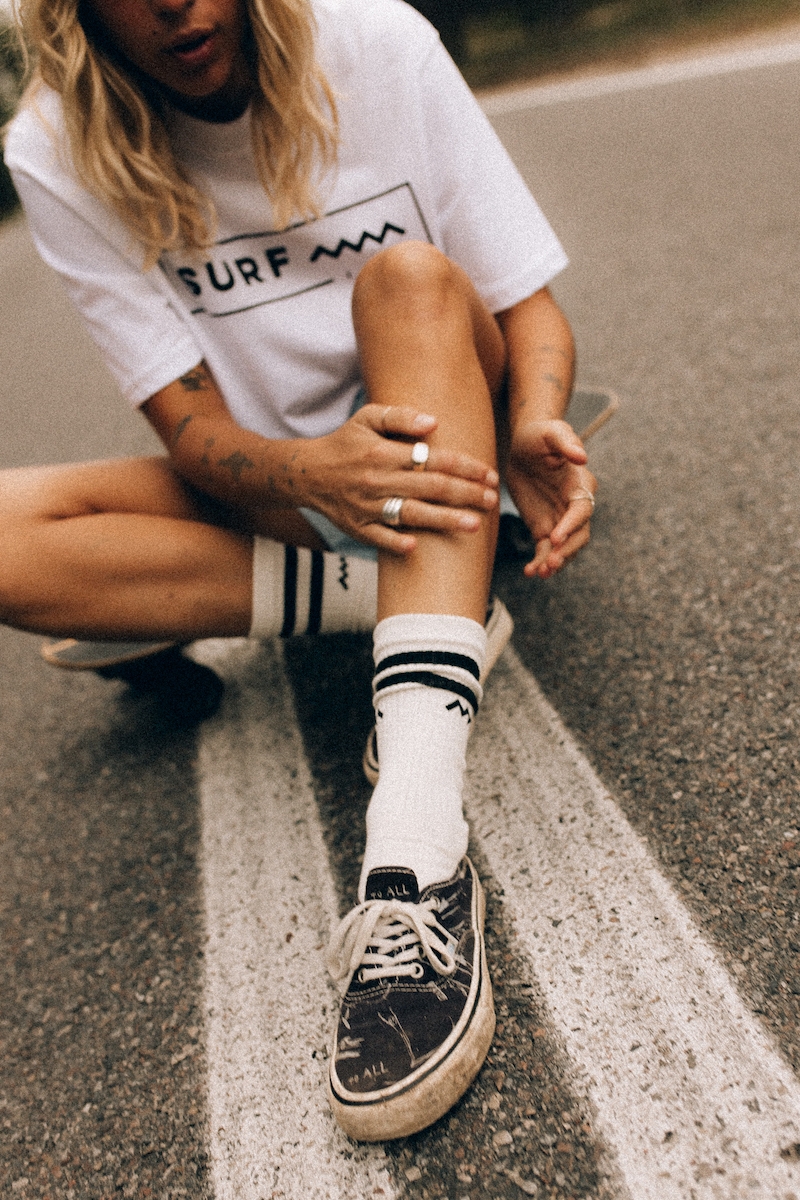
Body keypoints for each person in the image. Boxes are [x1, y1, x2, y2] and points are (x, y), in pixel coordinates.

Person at [1, 0, 596, 1141]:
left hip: (444, 429)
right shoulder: (53, 143)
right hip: (287, 490)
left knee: (409, 280)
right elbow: (187, 422)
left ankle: (414, 863)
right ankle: (434, 599)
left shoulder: (375, 42)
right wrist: (305, 472)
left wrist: (536, 416)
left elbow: (526, 307)